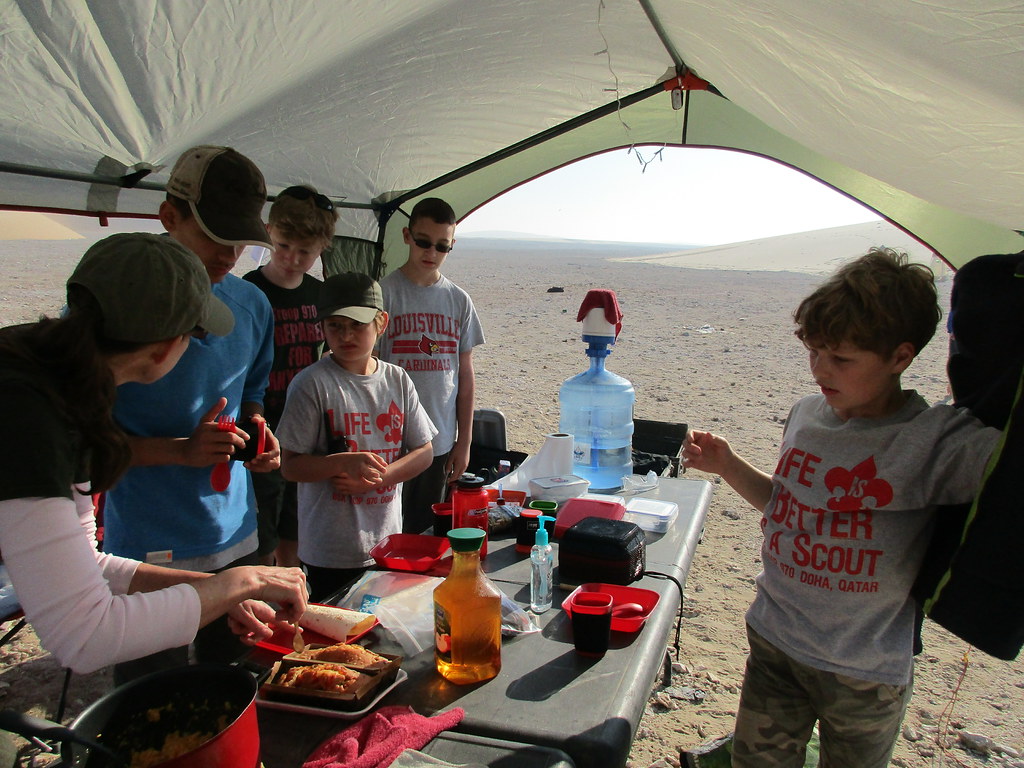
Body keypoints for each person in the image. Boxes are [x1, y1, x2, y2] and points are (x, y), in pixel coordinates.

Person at [681, 248, 1001, 767]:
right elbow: (787, 506)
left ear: (900, 357)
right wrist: (730, 466)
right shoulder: (808, 415)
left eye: (842, 359)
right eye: (814, 352)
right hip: (775, 643)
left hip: (864, 671)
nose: (820, 371)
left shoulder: (934, 441)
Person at [0, 233, 307, 676]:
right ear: (166, 349)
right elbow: (85, 637)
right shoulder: (29, 415)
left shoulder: (63, 385)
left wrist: (221, 591)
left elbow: (91, 564)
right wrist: (244, 580)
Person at [104, 146, 281, 682]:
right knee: (150, 698)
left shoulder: (251, 306)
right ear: (169, 216)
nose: (229, 256)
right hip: (148, 546)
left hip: (233, 535)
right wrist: (178, 452)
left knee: (229, 689)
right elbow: (82, 443)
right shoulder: (116, 299)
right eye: (214, 236)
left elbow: (252, 386)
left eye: (240, 241)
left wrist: (257, 431)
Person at [278, 272, 435, 601]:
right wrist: (341, 463)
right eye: (335, 325)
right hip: (329, 551)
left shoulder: (397, 380)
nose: (346, 335)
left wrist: (381, 478)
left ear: (381, 322)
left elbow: (424, 451)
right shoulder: (312, 384)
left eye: (357, 325)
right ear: (322, 327)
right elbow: (290, 466)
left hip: (386, 545)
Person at [377, 197, 485, 534]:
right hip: (391, 442)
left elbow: (464, 377)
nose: (431, 252)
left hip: (439, 441)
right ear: (407, 236)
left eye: (442, 246)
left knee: (424, 533)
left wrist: (463, 443)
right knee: (388, 532)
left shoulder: (458, 300)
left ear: (452, 245)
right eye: (423, 242)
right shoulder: (385, 294)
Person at [244, 184, 338, 567]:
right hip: (261, 430)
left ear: (321, 250)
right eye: (284, 246)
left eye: (305, 252)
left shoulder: (321, 294)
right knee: (261, 531)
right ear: (269, 232)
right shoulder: (249, 291)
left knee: (296, 531)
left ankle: (290, 606)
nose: (293, 259)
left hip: (306, 434)